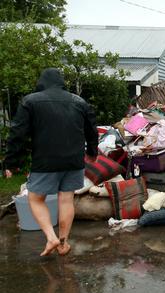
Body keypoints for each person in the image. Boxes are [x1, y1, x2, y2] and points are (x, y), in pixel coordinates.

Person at [3, 68, 98, 257]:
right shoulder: (79, 102)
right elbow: (92, 130)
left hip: (45, 161)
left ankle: (51, 237)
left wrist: (12, 162)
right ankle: (63, 243)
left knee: (35, 199)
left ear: (41, 81)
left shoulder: (30, 101)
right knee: (66, 199)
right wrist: (92, 152)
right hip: (73, 161)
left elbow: (17, 133)